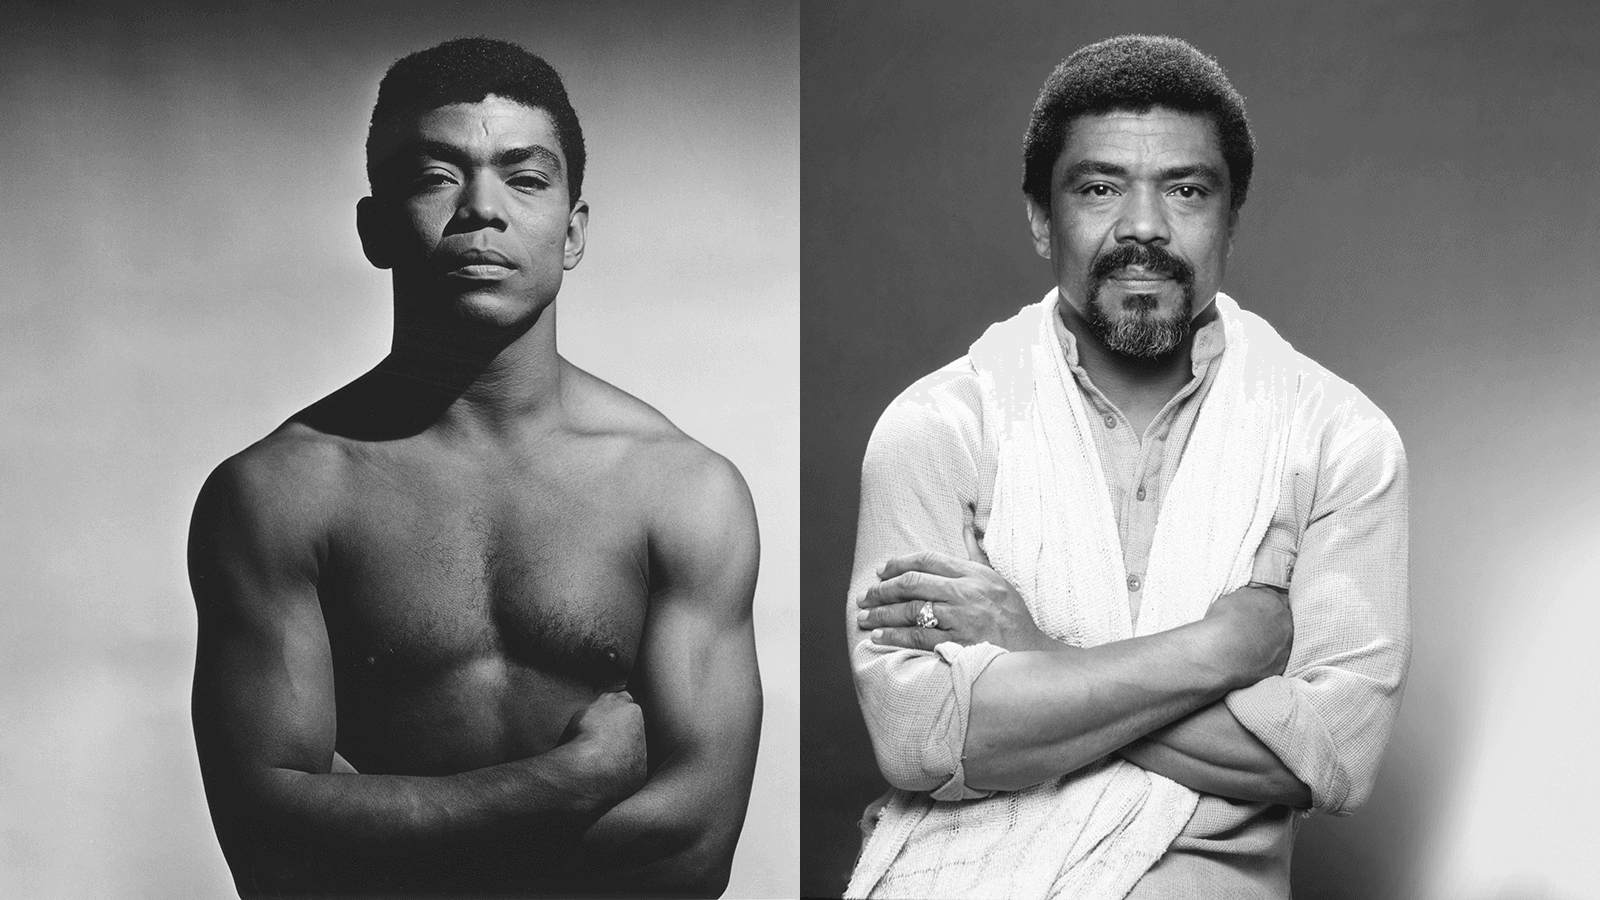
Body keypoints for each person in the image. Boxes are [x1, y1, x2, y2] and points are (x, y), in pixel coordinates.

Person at [189, 37, 761, 898]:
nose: (482, 209)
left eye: (526, 178)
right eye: (435, 176)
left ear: (572, 232)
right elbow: (278, 858)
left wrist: (378, 831)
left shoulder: (681, 491)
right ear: (376, 228)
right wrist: (570, 783)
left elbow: (693, 852)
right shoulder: (276, 497)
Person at [845, 34, 1408, 899]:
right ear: (1042, 218)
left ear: (1229, 218)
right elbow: (923, 737)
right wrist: (1224, 649)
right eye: (1100, 187)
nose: (1144, 226)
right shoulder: (935, 429)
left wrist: (1034, 652)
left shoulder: (1339, 441)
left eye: (1186, 191)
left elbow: (1332, 757)